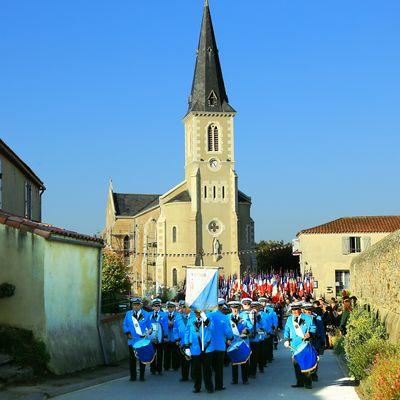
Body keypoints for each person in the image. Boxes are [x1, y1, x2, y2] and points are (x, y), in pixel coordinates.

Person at [283, 302, 316, 389]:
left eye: (296, 309)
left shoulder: (308, 318)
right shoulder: (290, 319)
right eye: (293, 309)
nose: (294, 311)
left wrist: (310, 333)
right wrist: (286, 339)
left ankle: (308, 383)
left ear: (300, 309)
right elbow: (286, 330)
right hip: (294, 345)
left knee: (305, 363)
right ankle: (300, 382)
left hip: (304, 344)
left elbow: (313, 328)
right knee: (296, 365)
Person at [122, 298, 153, 382]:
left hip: (142, 340)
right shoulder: (128, 314)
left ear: (141, 305)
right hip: (132, 340)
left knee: (142, 358)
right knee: (132, 358)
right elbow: (125, 325)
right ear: (132, 305)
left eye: (137, 304)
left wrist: (148, 332)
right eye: (134, 305)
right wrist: (127, 333)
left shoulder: (146, 314)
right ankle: (133, 376)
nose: (135, 306)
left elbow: (150, 326)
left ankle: (142, 376)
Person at [185, 310, 215, 393]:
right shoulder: (191, 320)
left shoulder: (208, 318)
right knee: (196, 369)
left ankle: (209, 387)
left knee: (207, 369)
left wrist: (205, 318)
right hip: (195, 348)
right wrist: (187, 347)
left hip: (207, 347)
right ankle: (197, 387)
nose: (197, 314)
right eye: (196, 312)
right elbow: (187, 333)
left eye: (199, 312)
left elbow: (212, 328)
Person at [209, 298, 233, 391]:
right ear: (221, 306)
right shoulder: (224, 317)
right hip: (220, 345)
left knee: (209, 366)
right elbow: (228, 331)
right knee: (219, 367)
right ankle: (219, 385)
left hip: (209, 345)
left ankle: (209, 386)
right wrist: (230, 337)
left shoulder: (209, 315)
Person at [227, 301, 251, 385]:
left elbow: (250, 326)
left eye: (236, 308)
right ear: (231, 308)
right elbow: (226, 329)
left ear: (239, 308)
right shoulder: (228, 317)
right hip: (233, 342)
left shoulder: (244, 315)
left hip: (243, 341)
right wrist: (227, 338)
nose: (235, 310)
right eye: (233, 308)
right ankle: (235, 380)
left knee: (244, 361)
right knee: (234, 361)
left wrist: (246, 330)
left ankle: (245, 379)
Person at [302, 302, 325, 382]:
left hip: (316, 340)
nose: (308, 311)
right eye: (307, 310)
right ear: (304, 310)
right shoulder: (301, 318)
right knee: (306, 358)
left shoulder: (317, 318)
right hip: (305, 341)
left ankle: (314, 373)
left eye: (310, 310)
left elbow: (321, 330)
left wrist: (323, 340)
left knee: (315, 358)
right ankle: (307, 375)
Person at [174, 300, 193, 382]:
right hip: (182, 341)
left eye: (185, 307)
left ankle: (194, 376)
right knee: (183, 360)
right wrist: (177, 338)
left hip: (192, 341)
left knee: (192, 360)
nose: (183, 308)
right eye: (182, 306)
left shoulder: (193, 316)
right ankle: (184, 376)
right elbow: (175, 329)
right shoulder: (178, 317)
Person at [149, 298, 167, 376]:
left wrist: (165, 336)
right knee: (152, 354)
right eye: (155, 306)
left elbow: (165, 326)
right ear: (152, 307)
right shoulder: (149, 315)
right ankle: (152, 369)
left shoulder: (164, 314)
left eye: (158, 305)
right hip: (151, 337)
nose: (156, 307)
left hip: (160, 337)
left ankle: (159, 369)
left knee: (160, 354)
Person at [164, 301, 180, 371]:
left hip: (174, 337)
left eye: (172, 307)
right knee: (166, 353)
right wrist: (167, 324)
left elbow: (179, 325)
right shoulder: (164, 315)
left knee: (175, 353)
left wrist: (173, 324)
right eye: (169, 307)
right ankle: (166, 366)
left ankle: (175, 366)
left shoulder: (178, 315)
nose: (170, 308)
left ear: (174, 308)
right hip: (167, 336)